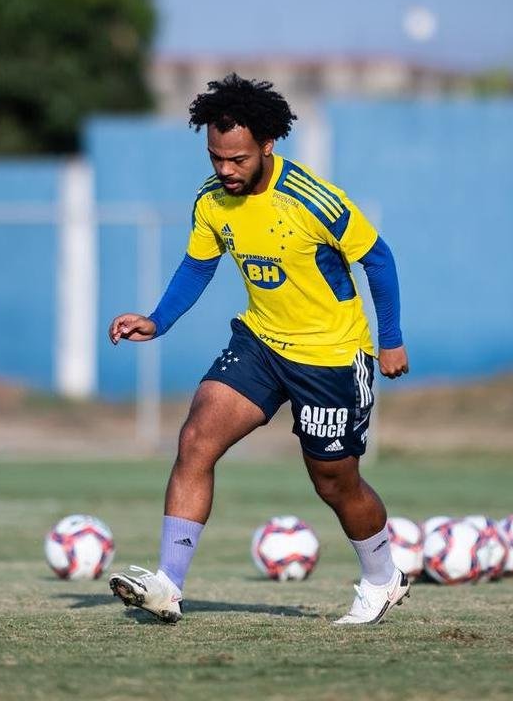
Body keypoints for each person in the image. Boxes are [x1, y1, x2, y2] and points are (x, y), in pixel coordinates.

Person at [106, 74, 410, 625]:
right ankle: (168, 585)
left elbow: (379, 259)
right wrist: (157, 320)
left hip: (332, 356)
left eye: (238, 159)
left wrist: (389, 339)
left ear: (268, 145)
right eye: (217, 157)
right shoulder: (212, 201)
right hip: (261, 342)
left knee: (333, 481)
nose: (226, 170)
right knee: (196, 439)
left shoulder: (312, 199)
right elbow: (198, 266)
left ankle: (383, 576)